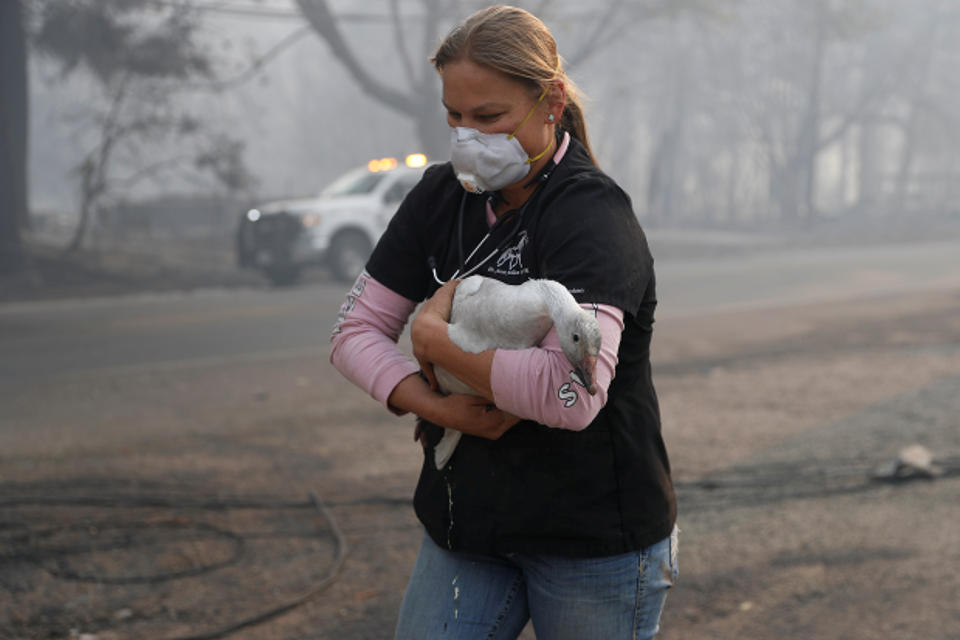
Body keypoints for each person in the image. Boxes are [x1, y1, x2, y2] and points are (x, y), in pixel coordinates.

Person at [329, 5, 677, 639]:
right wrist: (441, 411)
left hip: (591, 537)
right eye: (454, 117)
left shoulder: (592, 216)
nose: (467, 137)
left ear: (551, 101)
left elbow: (569, 395)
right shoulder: (438, 198)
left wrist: (436, 344)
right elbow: (353, 333)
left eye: (488, 117)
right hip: (469, 528)